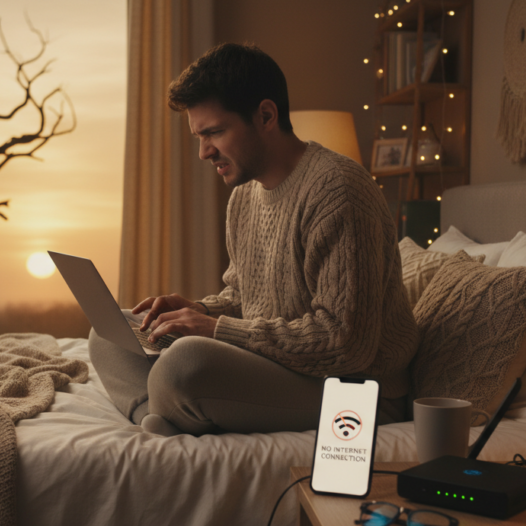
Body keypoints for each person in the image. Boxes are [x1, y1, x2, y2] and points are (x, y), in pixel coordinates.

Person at [89, 42, 417, 436]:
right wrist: (198, 310)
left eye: (214, 132)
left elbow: (346, 343)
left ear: (265, 116)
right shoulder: (244, 196)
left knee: (184, 363)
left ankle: (168, 406)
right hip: (279, 366)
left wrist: (214, 330)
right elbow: (245, 298)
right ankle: (158, 417)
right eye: (198, 136)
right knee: (112, 331)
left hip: (354, 390)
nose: (204, 152)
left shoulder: (338, 191)